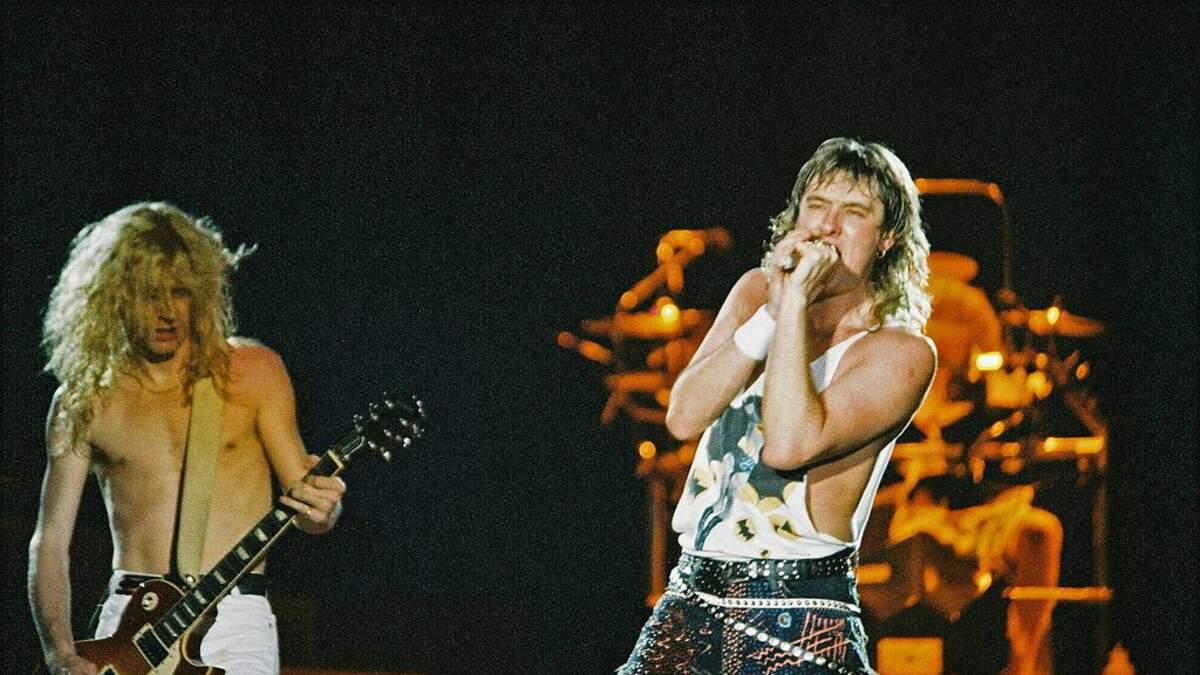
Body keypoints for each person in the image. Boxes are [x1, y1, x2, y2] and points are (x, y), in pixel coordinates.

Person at [620, 137, 936, 674]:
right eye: (817, 206)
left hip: (797, 614)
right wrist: (770, 312)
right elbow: (684, 416)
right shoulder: (754, 295)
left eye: (853, 212)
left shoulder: (900, 354)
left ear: (887, 238)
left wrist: (792, 302)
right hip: (690, 600)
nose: (827, 226)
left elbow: (788, 446)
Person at [28, 202, 346, 675]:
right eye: (149, 294)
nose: (167, 312)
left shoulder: (252, 372)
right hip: (127, 628)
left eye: (180, 292)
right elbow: (51, 541)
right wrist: (59, 652)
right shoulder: (84, 400)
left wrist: (325, 511)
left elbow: (308, 508)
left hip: (234, 618)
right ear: (114, 297)